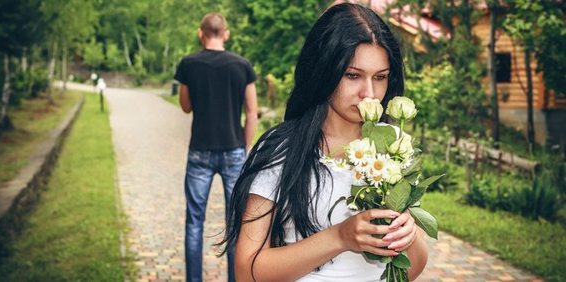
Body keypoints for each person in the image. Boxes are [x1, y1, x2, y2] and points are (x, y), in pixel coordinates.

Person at [219, 3, 428, 281]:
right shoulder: (283, 149)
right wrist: (340, 237)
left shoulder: (393, 147)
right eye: (352, 75)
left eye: (380, 77)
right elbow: (247, 271)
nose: (370, 93)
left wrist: (408, 235)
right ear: (323, 70)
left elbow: (412, 269)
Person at [174, 12, 258, 282]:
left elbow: (186, 107)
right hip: (233, 150)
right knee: (235, 226)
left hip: (199, 151)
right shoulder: (242, 65)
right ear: (226, 34)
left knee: (194, 223)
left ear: (201, 33)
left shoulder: (188, 64)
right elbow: (252, 113)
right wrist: (243, 148)